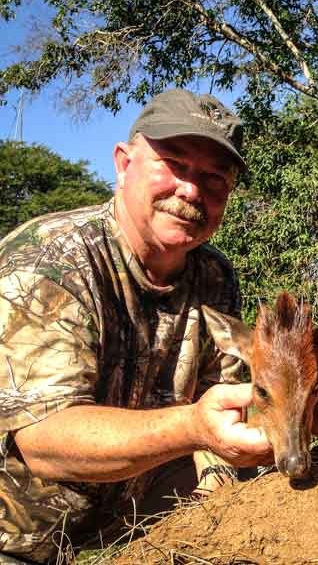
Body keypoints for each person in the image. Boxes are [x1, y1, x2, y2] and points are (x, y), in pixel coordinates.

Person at [0, 89, 274, 563]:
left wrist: (221, 495)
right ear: (124, 164)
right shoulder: (51, 259)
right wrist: (196, 428)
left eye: (214, 178)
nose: (191, 191)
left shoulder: (214, 275)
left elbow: (224, 400)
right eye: (174, 163)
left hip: (135, 532)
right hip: (23, 543)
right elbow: (42, 440)